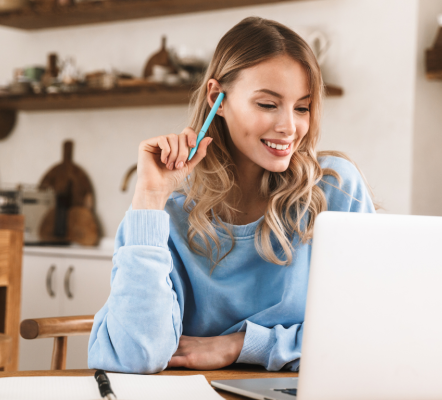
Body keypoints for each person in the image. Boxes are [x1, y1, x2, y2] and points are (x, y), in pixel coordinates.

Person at [88, 16, 375, 374]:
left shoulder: (333, 189)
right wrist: (149, 197)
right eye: (268, 104)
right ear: (217, 98)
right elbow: (135, 355)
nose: (289, 126)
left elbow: (367, 334)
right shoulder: (170, 211)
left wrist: (240, 345)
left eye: (302, 107)